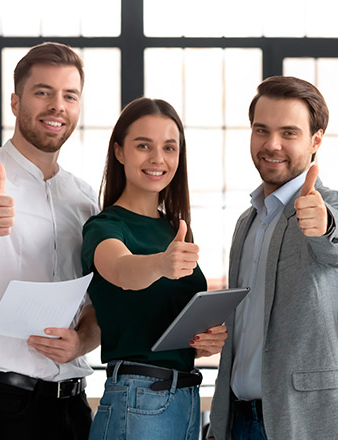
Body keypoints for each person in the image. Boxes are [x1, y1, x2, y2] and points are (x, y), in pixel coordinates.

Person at [0, 42, 100, 439]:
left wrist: (81, 342)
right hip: (0, 405)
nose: (57, 106)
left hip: (71, 406)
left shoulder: (84, 197)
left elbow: (95, 302)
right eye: (43, 92)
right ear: (15, 101)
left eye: (69, 96)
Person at [208, 76, 338, 440]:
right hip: (239, 420)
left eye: (289, 133)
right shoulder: (246, 223)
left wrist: (322, 222)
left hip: (309, 423)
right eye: (261, 130)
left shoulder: (335, 206)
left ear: (316, 140)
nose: (272, 144)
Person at [81, 97, 227, 440]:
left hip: (187, 397)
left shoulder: (173, 227)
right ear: (119, 152)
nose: (158, 159)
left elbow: (172, 317)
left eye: (169, 147)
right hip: (138, 398)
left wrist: (208, 340)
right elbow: (120, 269)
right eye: (143, 146)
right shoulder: (105, 226)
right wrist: (161, 263)